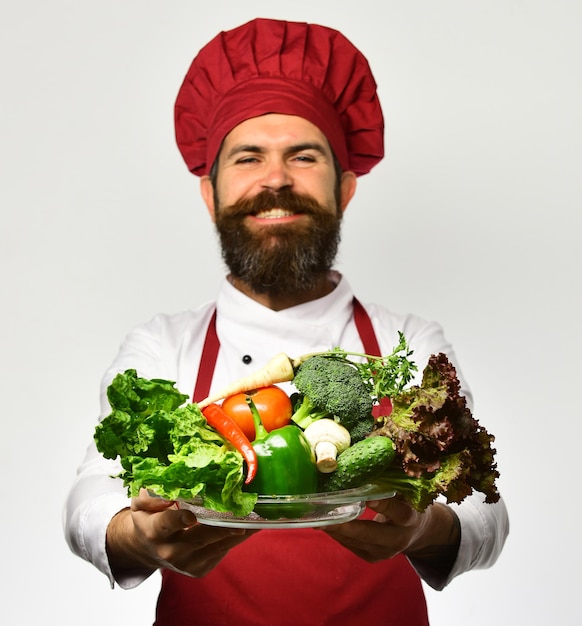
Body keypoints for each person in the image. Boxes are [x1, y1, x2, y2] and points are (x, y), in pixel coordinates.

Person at [64, 17, 509, 626]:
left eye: (303, 156)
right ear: (210, 193)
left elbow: (485, 511)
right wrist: (138, 536)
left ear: (344, 188)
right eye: (249, 158)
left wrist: (421, 527)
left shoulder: (410, 343)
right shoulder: (162, 346)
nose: (275, 179)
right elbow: (91, 498)